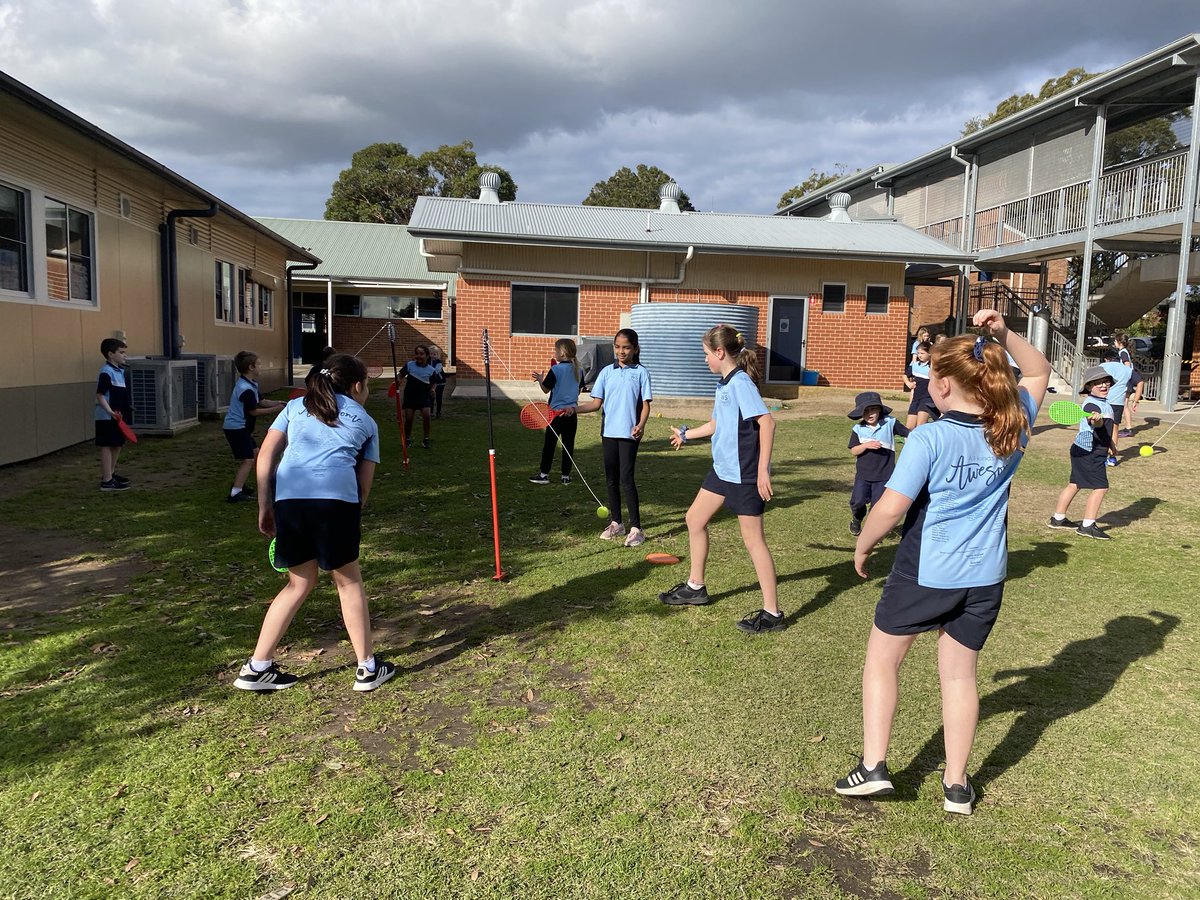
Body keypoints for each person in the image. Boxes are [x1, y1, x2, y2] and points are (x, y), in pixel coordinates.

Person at [835, 308, 1051, 816]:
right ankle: (956, 786)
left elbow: (892, 507)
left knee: (882, 660)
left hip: (925, 571)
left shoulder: (929, 437)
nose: (925, 383)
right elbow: (1038, 371)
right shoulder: (1013, 425)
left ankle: (874, 767)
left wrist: (864, 544)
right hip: (985, 577)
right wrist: (1003, 333)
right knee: (959, 677)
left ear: (945, 385)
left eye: (930, 374)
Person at [234, 353, 395, 692]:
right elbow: (364, 486)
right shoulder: (367, 422)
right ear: (357, 386)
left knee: (298, 584)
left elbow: (266, 454)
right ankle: (367, 668)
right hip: (336, 505)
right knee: (348, 582)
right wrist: (350, 513)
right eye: (367, 385)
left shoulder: (294, 407)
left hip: (290, 502)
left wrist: (265, 504)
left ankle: (257, 667)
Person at [662, 325, 782, 633]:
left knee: (753, 540)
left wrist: (762, 471)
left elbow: (767, 423)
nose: (704, 360)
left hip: (744, 473)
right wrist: (687, 435)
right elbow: (716, 424)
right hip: (722, 469)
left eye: (706, 354)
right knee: (694, 519)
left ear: (719, 352)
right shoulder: (724, 384)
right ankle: (695, 587)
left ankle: (772, 614)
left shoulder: (741, 383)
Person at [575, 328, 652, 547]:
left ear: (635, 349)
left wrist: (640, 425)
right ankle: (617, 523)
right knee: (611, 479)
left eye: (626, 347)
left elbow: (646, 405)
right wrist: (574, 409)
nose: (621, 351)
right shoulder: (606, 372)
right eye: (617, 347)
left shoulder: (641, 373)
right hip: (608, 433)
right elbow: (595, 404)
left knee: (626, 479)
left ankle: (636, 528)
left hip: (629, 434)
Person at [1048, 365, 1116, 541]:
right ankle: (1087, 525)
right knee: (1101, 487)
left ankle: (1058, 518)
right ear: (1089, 387)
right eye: (1098, 383)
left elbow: (1104, 429)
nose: (1103, 385)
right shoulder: (1093, 405)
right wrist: (1096, 419)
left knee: (1075, 483)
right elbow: (1096, 422)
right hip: (1090, 452)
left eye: (1106, 382)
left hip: (1081, 449)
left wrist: (1110, 443)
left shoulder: (1103, 402)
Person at [223, 351, 285, 502]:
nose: (260, 367)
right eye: (259, 364)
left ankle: (240, 484)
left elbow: (262, 401)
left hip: (241, 428)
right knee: (248, 459)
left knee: (255, 452)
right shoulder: (246, 389)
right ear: (251, 367)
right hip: (237, 428)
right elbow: (254, 411)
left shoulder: (250, 384)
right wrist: (276, 409)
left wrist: (280, 403)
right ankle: (235, 493)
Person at [846, 392, 909, 537]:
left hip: (884, 475)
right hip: (863, 474)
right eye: (865, 411)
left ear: (880, 409)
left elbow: (908, 433)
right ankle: (857, 519)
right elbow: (854, 451)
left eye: (873, 409)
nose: (870, 414)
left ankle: (872, 532)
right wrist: (866, 445)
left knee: (877, 506)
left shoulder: (890, 423)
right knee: (857, 502)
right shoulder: (858, 429)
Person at [529, 338, 581, 485]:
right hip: (572, 414)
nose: (554, 352)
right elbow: (578, 390)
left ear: (562, 353)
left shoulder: (556, 370)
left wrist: (541, 380)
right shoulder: (579, 370)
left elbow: (546, 389)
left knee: (549, 445)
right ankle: (565, 476)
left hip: (555, 415)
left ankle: (544, 474)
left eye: (555, 350)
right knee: (568, 445)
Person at [95, 337, 133, 492]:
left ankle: (110, 474)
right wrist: (109, 411)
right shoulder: (106, 372)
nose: (125, 355)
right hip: (106, 417)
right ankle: (106, 481)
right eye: (121, 352)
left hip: (118, 417)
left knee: (117, 444)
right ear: (111, 354)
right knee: (107, 445)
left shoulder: (120, 371)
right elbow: (100, 395)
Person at [399, 344, 436, 449]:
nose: (419, 356)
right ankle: (407, 439)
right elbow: (400, 375)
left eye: (421, 354)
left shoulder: (431, 370)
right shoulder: (409, 365)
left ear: (427, 356)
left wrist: (433, 389)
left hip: (424, 396)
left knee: (427, 416)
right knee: (409, 418)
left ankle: (426, 439)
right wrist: (398, 381)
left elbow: (434, 382)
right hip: (410, 396)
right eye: (417, 354)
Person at [1099, 351, 1133, 465]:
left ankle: (1101, 454)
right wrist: (1136, 399)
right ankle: (1112, 457)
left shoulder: (1103, 366)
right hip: (1118, 402)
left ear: (1106, 359)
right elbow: (1140, 381)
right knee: (1114, 429)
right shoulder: (1127, 369)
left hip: (1104, 401)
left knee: (1100, 427)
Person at [903, 341, 935, 429]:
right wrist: (908, 383)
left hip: (927, 399)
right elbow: (905, 375)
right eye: (918, 353)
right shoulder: (915, 365)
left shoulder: (933, 367)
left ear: (929, 354)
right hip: (916, 399)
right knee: (909, 427)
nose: (919, 355)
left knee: (920, 425)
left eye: (922, 353)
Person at [428, 344, 447, 419]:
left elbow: (436, 371)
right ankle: (431, 412)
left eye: (434, 354)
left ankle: (438, 412)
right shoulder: (427, 362)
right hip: (431, 383)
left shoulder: (438, 362)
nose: (432, 356)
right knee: (431, 397)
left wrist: (427, 373)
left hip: (440, 382)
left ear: (437, 355)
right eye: (431, 354)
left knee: (439, 397)